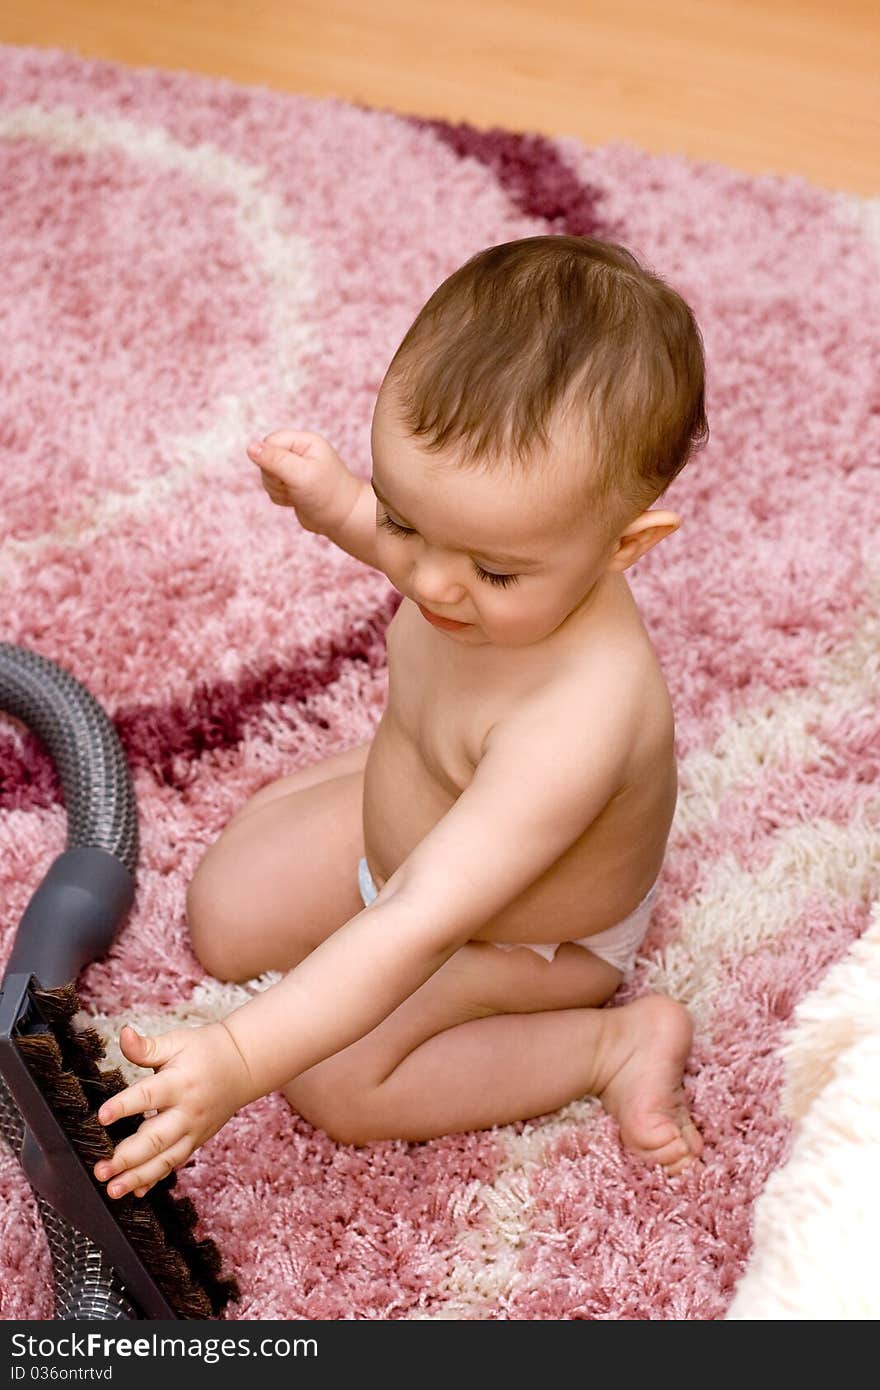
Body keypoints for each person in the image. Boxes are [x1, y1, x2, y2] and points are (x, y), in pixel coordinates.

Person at [93, 235, 709, 1202]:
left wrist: (240, 1057)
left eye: (493, 570)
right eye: (404, 518)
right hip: (421, 817)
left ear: (625, 546)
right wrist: (340, 502)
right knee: (223, 915)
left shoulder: (579, 716)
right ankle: (390, 780)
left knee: (335, 1078)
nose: (426, 580)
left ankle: (612, 1043)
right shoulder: (467, 558)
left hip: (516, 938)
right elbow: (436, 548)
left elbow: (424, 916)